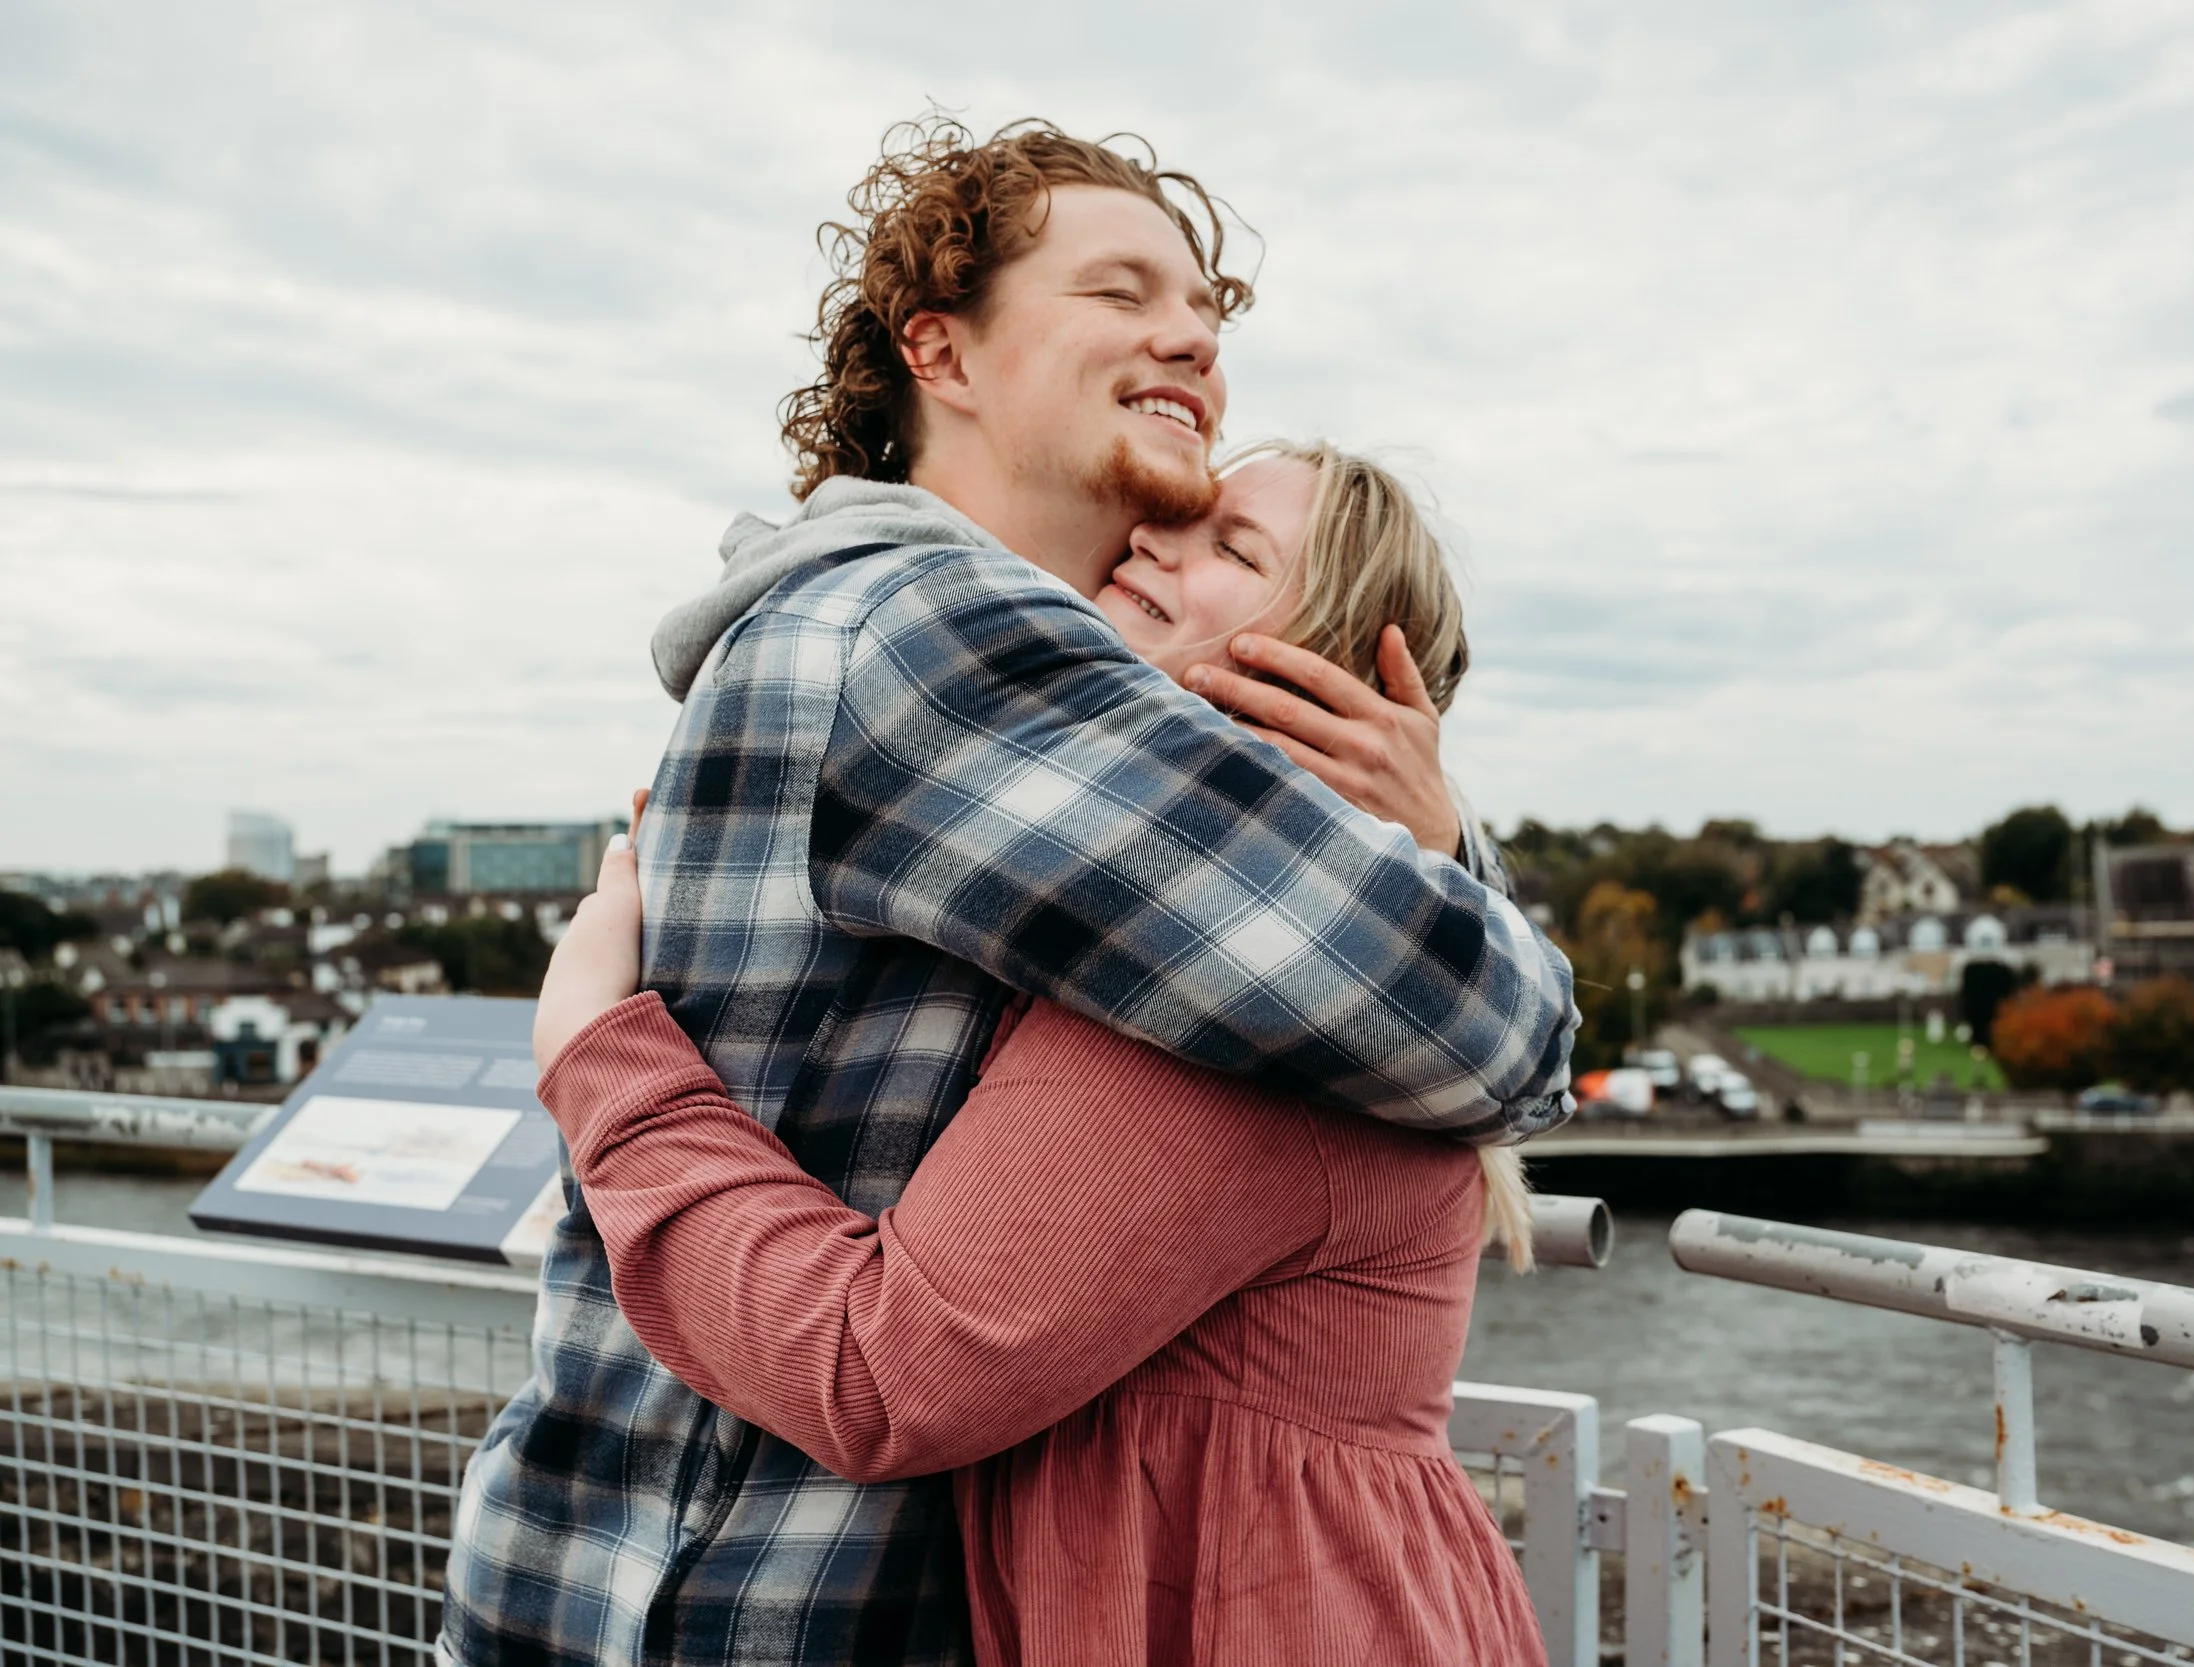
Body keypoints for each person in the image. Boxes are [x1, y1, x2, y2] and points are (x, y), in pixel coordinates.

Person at [439, 118, 1575, 1667]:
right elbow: (1498, 1031)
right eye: (1118, 292)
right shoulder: (935, 637)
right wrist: (597, 1057)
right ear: (942, 351)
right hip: (733, 1596)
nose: (1189, 335)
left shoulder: (971, 670)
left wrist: (1434, 849)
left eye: (1206, 312)